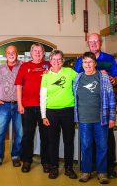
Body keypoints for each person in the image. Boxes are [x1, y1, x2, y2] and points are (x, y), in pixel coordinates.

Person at [74, 33, 117, 178]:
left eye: (96, 41)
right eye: (90, 41)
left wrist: (112, 79)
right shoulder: (78, 72)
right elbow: (71, 79)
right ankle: (87, 170)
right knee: (86, 145)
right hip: (85, 117)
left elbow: (116, 80)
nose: (93, 43)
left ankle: (105, 170)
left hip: (102, 114)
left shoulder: (109, 60)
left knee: (104, 145)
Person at [40, 50, 78, 179]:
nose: (56, 62)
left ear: (62, 61)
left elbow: (82, 79)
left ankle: (68, 168)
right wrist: (43, 116)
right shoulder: (45, 76)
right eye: (54, 59)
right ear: (50, 61)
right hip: (51, 112)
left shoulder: (69, 72)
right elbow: (42, 96)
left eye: (59, 59)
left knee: (69, 141)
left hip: (68, 111)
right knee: (53, 142)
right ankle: (54, 167)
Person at [15, 43, 51, 173]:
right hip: (28, 107)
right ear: (31, 53)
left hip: (45, 107)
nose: (37, 53)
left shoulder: (48, 65)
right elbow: (18, 86)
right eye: (35, 51)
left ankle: (46, 161)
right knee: (27, 136)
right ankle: (27, 161)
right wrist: (19, 104)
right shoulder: (24, 66)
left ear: (43, 53)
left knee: (45, 135)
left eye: (40, 51)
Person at [0, 45, 23, 168]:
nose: (11, 54)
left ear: (17, 53)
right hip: (3, 105)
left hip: (19, 105)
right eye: (8, 52)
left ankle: (16, 156)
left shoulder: (23, 67)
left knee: (20, 132)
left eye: (13, 52)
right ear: (5, 55)